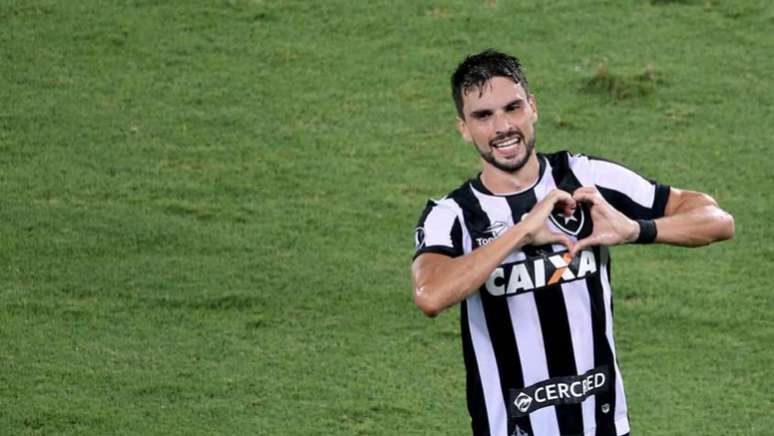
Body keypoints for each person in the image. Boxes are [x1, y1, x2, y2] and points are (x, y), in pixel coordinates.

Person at [410, 49, 734, 436]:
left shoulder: (585, 177)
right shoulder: (452, 214)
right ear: (463, 127)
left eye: (512, 108)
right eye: (483, 116)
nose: (502, 127)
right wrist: (522, 231)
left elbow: (716, 220)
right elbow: (430, 294)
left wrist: (635, 229)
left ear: (532, 107)